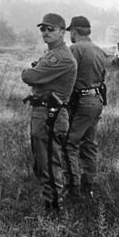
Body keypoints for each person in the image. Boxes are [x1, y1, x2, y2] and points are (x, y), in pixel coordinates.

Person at [21, 13, 77, 212]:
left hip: (50, 114)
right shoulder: (51, 53)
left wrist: (30, 73)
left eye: (50, 29)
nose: (45, 32)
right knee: (41, 163)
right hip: (43, 112)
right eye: (43, 29)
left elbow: (31, 76)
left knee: (49, 165)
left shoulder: (60, 57)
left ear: (63, 32)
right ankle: (51, 205)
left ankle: (55, 211)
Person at [63, 16, 106, 201]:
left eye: (70, 32)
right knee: (89, 144)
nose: (69, 35)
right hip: (97, 100)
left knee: (69, 143)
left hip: (81, 102)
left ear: (74, 31)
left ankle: (74, 189)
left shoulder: (75, 49)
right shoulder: (99, 50)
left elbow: (67, 76)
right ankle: (89, 187)